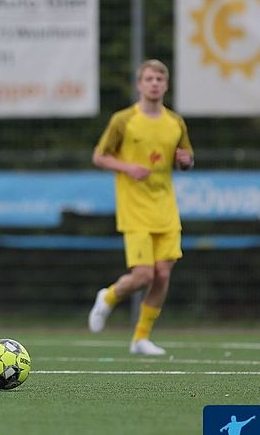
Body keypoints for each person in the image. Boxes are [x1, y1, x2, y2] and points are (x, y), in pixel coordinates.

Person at [87, 59, 194, 355]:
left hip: (165, 207)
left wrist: (186, 163)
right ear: (139, 84)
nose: (154, 83)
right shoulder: (123, 120)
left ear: (166, 85)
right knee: (144, 275)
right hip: (134, 208)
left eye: (160, 79)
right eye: (149, 79)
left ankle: (140, 338)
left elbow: (185, 157)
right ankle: (108, 297)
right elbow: (99, 156)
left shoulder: (175, 123)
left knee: (163, 274)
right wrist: (127, 168)